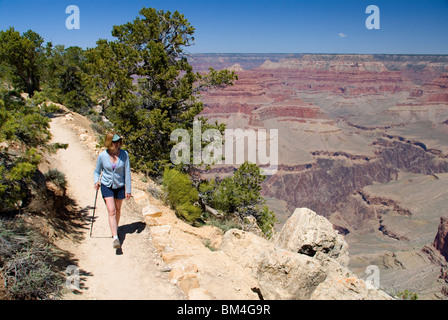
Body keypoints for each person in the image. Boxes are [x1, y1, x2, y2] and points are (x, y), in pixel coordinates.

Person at [94, 133, 132, 249]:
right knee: (112, 211)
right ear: (109, 142)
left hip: (119, 185)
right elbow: (97, 171)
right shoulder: (102, 156)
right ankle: (115, 237)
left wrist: (128, 189)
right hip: (107, 185)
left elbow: (127, 172)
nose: (117, 144)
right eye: (114, 142)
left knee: (118, 209)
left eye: (118, 141)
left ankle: (115, 227)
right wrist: (96, 181)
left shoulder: (124, 154)